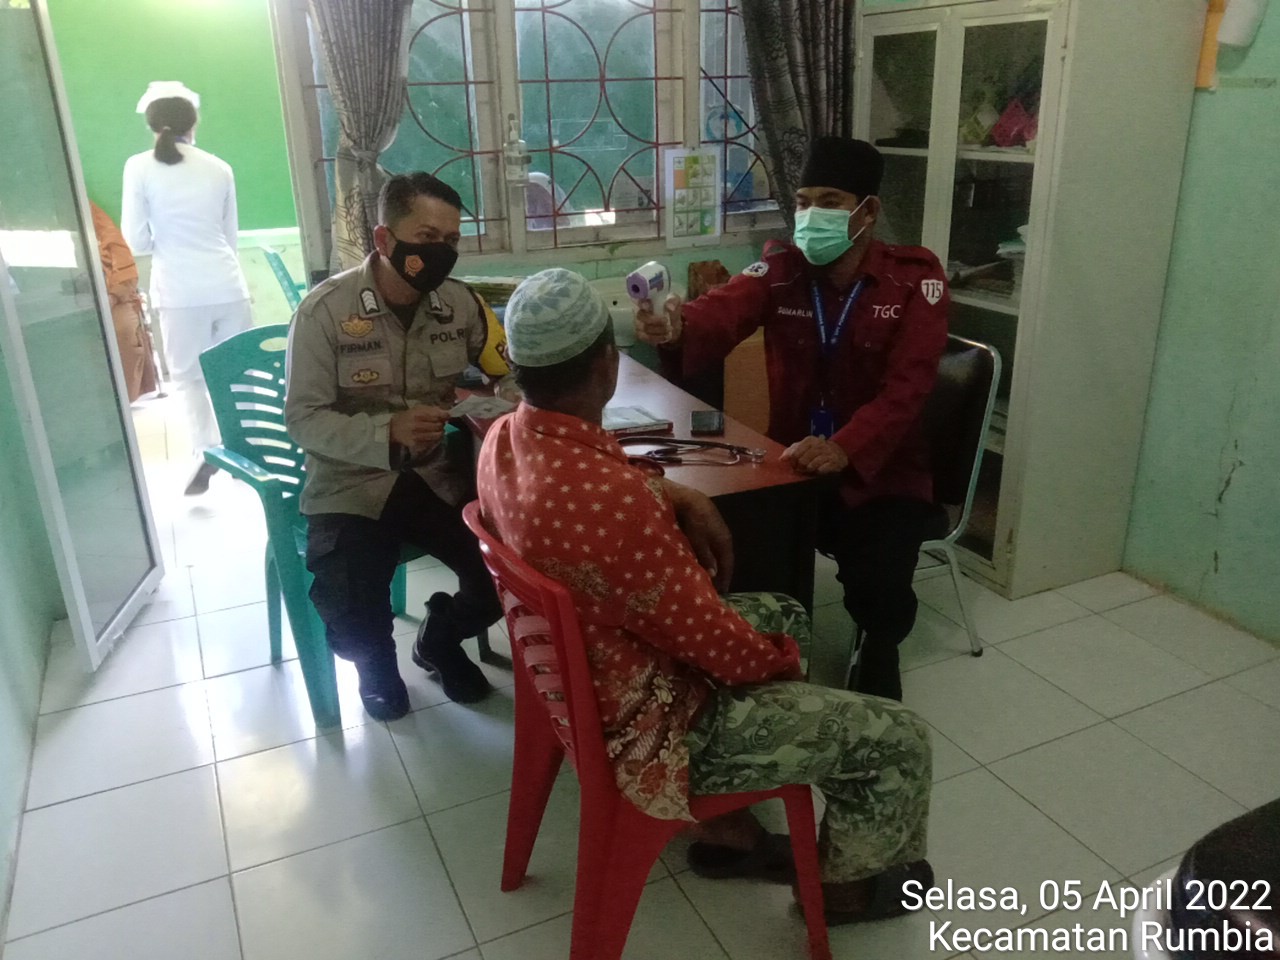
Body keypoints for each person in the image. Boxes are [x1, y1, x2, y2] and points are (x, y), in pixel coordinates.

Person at [477, 267, 933, 924]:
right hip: (653, 726)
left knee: (787, 610)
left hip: (586, 682)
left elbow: (601, 500)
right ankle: (844, 891)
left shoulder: (505, 439)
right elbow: (721, 649)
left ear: (520, 370)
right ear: (608, 364)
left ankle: (730, 832)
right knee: (898, 736)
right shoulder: (617, 509)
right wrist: (778, 664)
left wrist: (675, 492)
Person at [634, 137, 950, 702]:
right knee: (745, 546)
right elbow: (721, 310)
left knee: (880, 587)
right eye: (803, 202)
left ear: (868, 212)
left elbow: (908, 388)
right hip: (794, 464)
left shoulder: (913, 280)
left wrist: (845, 447)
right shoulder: (782, 270)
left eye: (830, 202)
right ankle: (771, 647)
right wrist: (676, 327)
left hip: (882, 472)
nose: (811, 216)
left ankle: (880, 646)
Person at [284, 172, 511, 721]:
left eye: (452, 240)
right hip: (351, 484)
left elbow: (507, 370)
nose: (442, 253)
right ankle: (376, 666)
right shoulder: (324, 312)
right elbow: (303, 419)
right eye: (428, 238)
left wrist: (512, 394)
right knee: (349, 611)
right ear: (385, 239)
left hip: (435, 477)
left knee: (505, 574)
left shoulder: (459, 304)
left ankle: (439, 639)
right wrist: (386, 430)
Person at [121, 81, 252, 496]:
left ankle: (207, 450)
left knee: (190, 378)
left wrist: (165, 239)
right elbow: (229, 235)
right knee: (240, 372)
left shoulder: (139, 167)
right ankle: (249, 451)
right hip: (228, 284)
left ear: (151, 125)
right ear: (193, 124)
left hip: (179, 291)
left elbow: (136, 240)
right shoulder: (219, 167)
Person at [89, 201, 159, 403]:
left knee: (123, 330)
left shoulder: (91, 215)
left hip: (116, 297)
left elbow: (125, 271)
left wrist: (113, 295)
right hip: (78, 300)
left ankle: (123, 400)